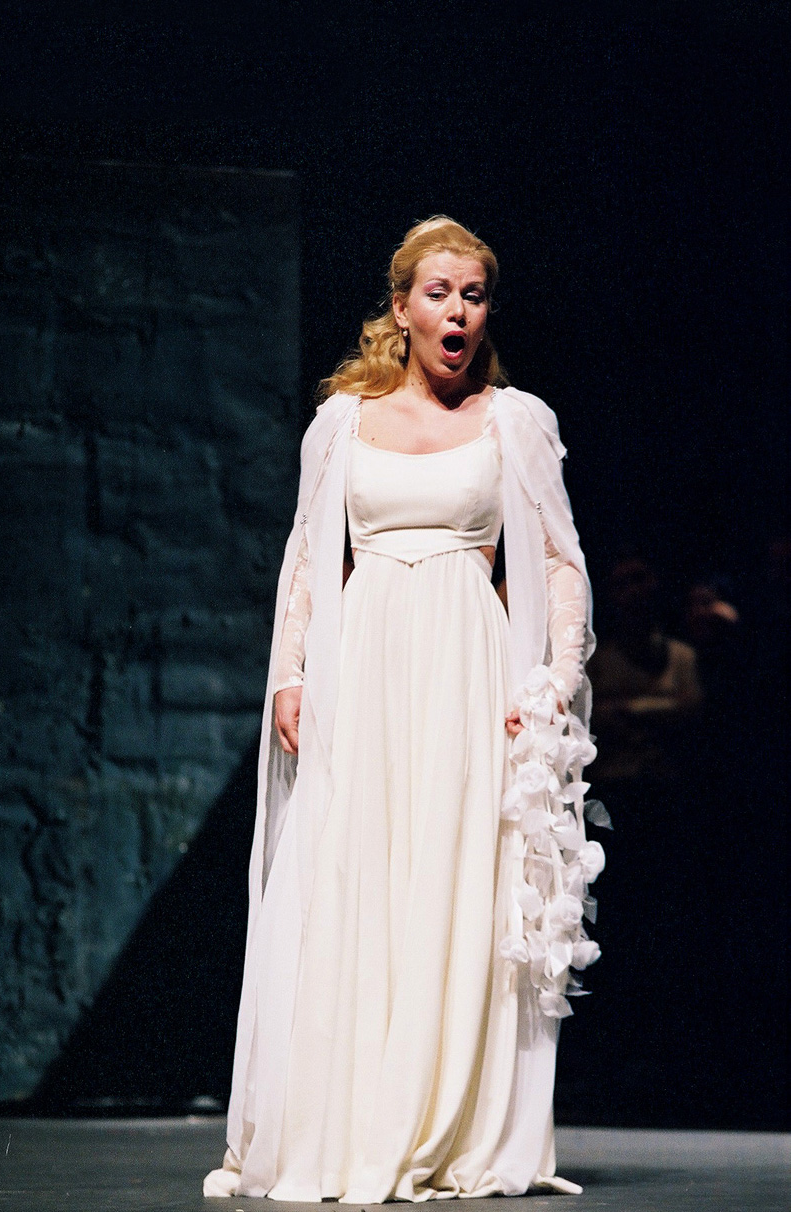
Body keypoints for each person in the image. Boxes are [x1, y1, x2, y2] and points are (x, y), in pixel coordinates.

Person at [204, 217, 602, 1201]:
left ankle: (448, 1125)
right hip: (366, 664)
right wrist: (290, 674)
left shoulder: (516, 422)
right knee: (358, 873)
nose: (457, 310)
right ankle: (348, 1118)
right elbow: (309, 557)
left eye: (473, 294)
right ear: (401, 308)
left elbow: (560, 563)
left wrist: (551, 682)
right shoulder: (343, 422)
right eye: (439, 292)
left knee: (455, 876)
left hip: (469, 667)